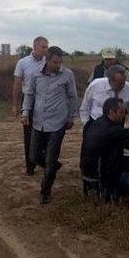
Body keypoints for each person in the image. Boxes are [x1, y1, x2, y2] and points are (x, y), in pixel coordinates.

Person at [21, 46, 78, 204]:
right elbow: (29, 95)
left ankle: (45, 192)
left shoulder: (67, 75)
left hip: (58, 123)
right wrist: (25, 112)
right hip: (38, 122)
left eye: (60, 62)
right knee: (33, 156)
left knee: (50, 160)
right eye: (55, 62)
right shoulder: (35, 74)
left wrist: (71, 117)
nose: (58, 65)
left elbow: (73, 97)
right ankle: (54, 166)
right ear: (47, 59)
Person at [80, 97, 129, 202]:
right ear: (111, 112)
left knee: (126, 161)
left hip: (87, 172)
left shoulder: (96, 123)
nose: (123, 115)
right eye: (121, 112)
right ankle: (109, 193)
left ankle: (103, 189)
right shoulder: (111, 129)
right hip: (99, 175)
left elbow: (124, 141)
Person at [12, 36, 49, 176]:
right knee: (29, 135)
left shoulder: (49, 62)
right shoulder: (23, 63)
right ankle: (30, 166)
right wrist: (15, 106)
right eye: (43, 47)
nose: (45, 50)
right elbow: (16, 84)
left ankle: (46, 163)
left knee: (46, 133)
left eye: (47, 47)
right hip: (28, 102)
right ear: (35, 47)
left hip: (46, 102)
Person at [80, 65, 129, 130]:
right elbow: (85, 107)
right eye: (119, 83)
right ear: (110, 80)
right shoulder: (95, 85)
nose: (122, 86)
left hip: (118, 126)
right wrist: (87, 125)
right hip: (95, 124)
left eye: (123, 82)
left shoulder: (128, 88)